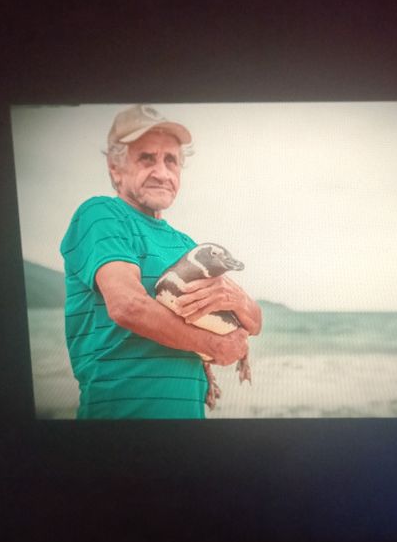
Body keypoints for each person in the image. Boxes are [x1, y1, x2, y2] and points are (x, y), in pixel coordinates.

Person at [60, 105, 261, 419]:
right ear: (115, 168)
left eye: (171, 160)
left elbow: (254, 323)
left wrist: (239, 300)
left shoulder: (187, 245)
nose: (162, 172)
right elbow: (128, 305)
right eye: (146, 158)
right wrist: (215, 346)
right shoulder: (100, 215)